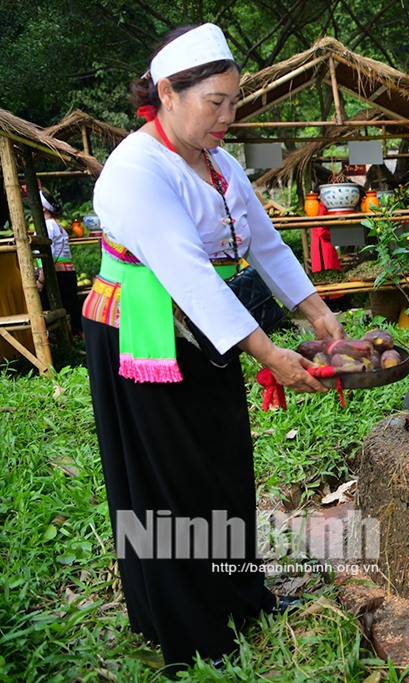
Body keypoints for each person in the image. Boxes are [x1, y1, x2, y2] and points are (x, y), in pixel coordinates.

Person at [82, 24, 345, 671]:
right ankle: (189, 626)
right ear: (167, 93)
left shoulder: (221, 165)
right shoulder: (137, 169)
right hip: (144, 329)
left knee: (224, 465)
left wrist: (320, 316)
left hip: (210, 328)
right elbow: (189, 276)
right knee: (169, 481)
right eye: (215, 103)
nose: (227, 117)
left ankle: (241, 593)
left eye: (233, 102)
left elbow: (268, 246)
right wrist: (273, 354)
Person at [36, 191, 82, 335]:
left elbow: (48, 255)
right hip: (67, 274)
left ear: (43, 207)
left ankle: (54, 348)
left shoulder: (47, 227)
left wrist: (41, 281)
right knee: (73, 313)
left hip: (56, 276)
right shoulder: (58, 226)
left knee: (44, 310)